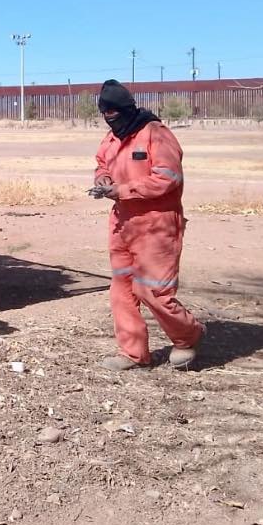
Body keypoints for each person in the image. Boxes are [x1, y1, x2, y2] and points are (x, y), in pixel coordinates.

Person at [90, 80, 205, 370]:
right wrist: (102, 179)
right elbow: (102, 162)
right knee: (122, 290)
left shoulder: (156, 134)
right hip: (122, 223)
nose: (109, 118)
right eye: (104, 113)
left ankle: (188, 335)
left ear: (128, 109)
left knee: (153, 291)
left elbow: (168, 178)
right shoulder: (111, 138)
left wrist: (123, 189)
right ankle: (133, 353)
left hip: (157, 225)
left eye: (113, 112)